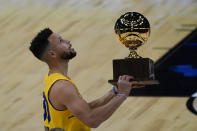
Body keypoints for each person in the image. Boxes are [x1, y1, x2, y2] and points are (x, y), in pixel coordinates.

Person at [29, 28, 144, 131]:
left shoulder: (52, 78)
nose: (68, 41)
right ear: (52, 54)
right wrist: (123, 94)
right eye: (61, 41)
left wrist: (115, 91)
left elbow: (85, 109)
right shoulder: (62, 86)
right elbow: (92, 120)